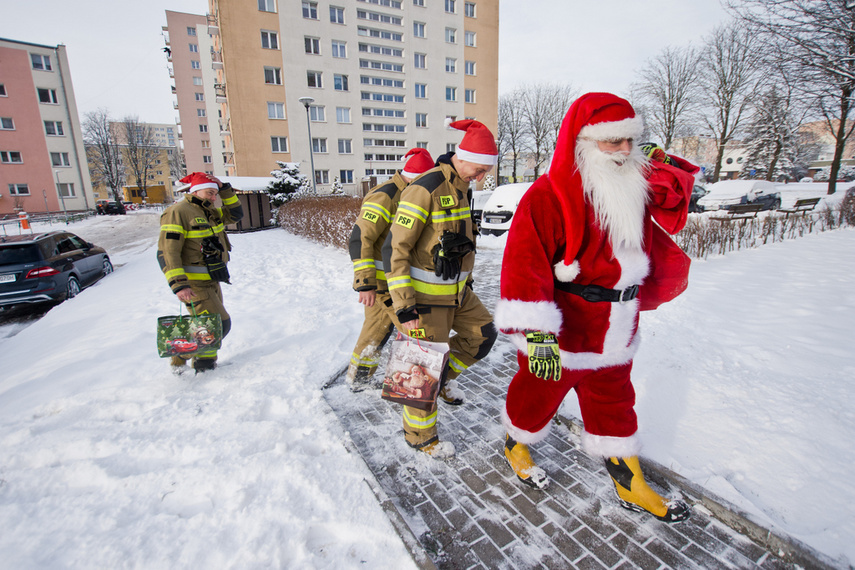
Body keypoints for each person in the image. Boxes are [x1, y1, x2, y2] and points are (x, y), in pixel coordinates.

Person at [495, 93, 698, 523]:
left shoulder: (631, 186)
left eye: (631, 141)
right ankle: (517, 442)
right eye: (612, 142)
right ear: (584, 143)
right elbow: (524, 264)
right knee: (536, 396)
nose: (625, 151)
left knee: (615, 404)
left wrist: (661, 160)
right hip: (566, 331)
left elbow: (671, 197)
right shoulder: (546, 196)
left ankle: (630, 481)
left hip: (616, 330)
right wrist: (537, 336)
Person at [384, 120, 499, 458]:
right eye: (478, 169)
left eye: (484, 172)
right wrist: (405, 308)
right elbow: (395, 249)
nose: (480, 177)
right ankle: (419, 437)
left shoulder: (463, 185)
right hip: (423, 301)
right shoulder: (427, 186)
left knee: (483, 335)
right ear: (462, 158)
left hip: (457, 293)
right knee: (418, 368)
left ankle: (442, 377)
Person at [346, 148, 436, 392]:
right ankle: (405, 386)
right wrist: (365, 283)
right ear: (416, 178)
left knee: (375, 333)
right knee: (412, 331)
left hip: (393, 282)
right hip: (383, 285)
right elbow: (360, 238)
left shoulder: (406, 192)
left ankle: (359, 380)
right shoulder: (386, 195)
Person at [157, 172, 244, 374]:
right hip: (194, 284)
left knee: (208, 325)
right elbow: (168, 251)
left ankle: (205, 363)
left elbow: (236, 214)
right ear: (195, 191)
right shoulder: (179, 212)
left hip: (212, 280)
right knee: (220, 325)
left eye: (215, 194)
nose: (213, 198)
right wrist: (179, 284)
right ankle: (180, 353)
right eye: (209, 193)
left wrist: (224, 189)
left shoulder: (209, 212)